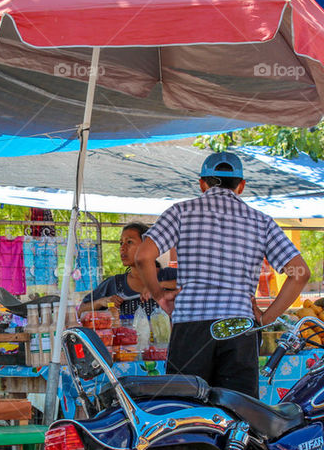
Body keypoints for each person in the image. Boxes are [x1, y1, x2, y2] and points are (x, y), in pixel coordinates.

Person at [136, 151, 310, 398]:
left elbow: (143, 256)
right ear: (241, 186)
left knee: (186, 412)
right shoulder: (262, 222)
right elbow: (300, 274)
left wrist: (159, 295)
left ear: (202, 184)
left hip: (191, 326)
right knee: (238, 413)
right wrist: (267, 317)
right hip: (240, 327)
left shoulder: (180, 212)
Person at [79, 223, 178, 318]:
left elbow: (192, 284)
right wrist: (100, 302)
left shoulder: (169, 275)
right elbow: (80, 311)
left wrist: (160, 285)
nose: (122, 248)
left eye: (129, 242)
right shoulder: (114, 284)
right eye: (121, 243)